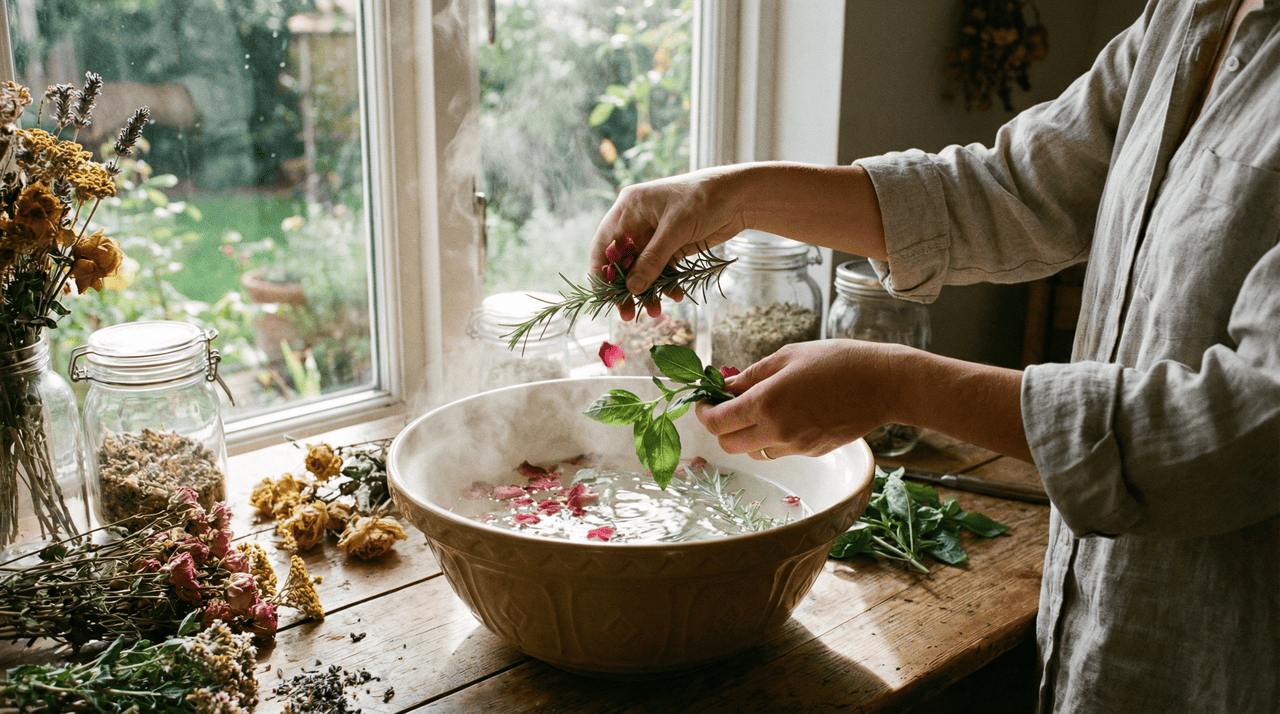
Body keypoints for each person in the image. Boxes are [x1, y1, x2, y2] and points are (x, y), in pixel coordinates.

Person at [588, 1, 1280, 711]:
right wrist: (728, 196)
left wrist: (896, 384)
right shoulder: (1186, 14)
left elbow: (1246, 425)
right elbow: (1010, 188)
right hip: (1096, 635)